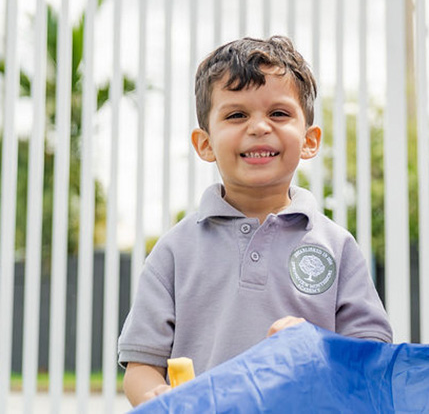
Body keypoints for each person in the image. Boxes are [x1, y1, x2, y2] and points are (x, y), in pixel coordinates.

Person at [118, 36, 392, 405]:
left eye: (278, 113)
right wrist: (161, 399)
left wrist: (317, 344)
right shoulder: (175, 250)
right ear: (205, 144)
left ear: (310, 140)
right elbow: (142, 364)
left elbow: (370, 354)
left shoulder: (337, 246)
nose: (259, 126)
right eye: (236, 115)